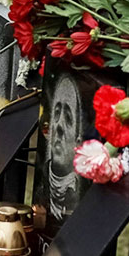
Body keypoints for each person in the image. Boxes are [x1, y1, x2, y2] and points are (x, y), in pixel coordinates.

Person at [44, 74, 80, 230]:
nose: (58, 126)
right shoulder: (42, 188)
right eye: (56, 113)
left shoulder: (80, 196)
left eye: (68, 117)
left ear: (78, 140)